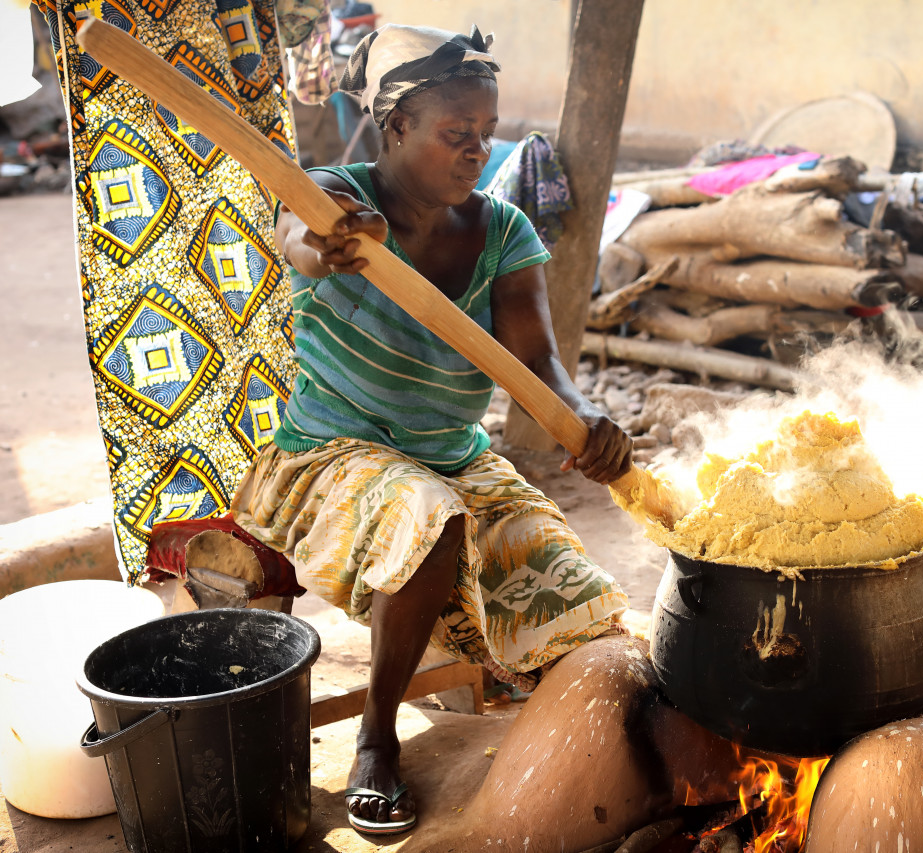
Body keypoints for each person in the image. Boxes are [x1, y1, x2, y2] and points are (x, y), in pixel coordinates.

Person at [229, 23, 634, 837]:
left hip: (456, 459)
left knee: (581, 596)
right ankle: (377, 735)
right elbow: (301, 239)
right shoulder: (333, 194)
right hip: (330, 457)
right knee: (427, 515)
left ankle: (553, 741)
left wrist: (582, 414)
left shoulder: (505, 231)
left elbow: (540, 362)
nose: (476, 152)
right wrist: (328, 241)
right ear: (398, 126)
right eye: (456, 135)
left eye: (485, 135)